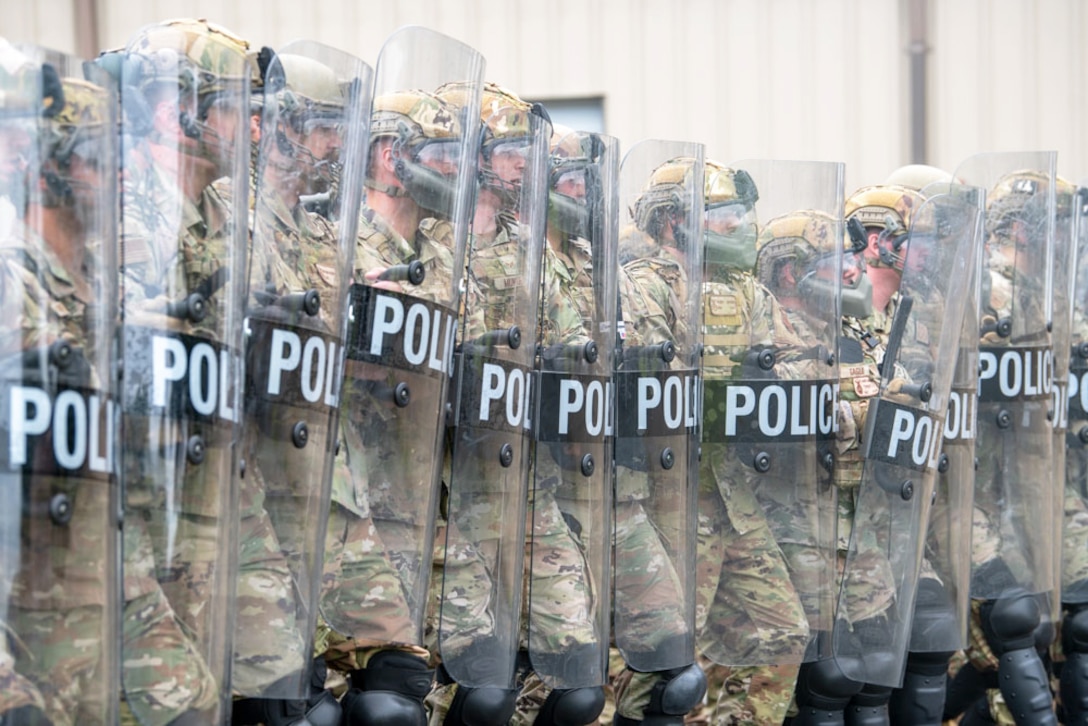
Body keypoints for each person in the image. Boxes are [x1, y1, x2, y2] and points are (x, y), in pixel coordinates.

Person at [110, 18, 252, 724]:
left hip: (217, 514)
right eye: (237, 109)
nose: (253, 131)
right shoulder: (120, 207)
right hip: (134, 524)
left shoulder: (231, 214)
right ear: (177, 109)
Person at [228, 45, 369, 726]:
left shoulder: (322, 239)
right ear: (276, 128)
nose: (335, 147)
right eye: (323, 128)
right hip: (241, 493)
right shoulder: (228, 217)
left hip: (319, 489)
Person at [327, 86, 472, 726]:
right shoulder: (335, 239)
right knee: (367, 691)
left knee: (431, 686)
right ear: (391, 155)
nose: (453, 170)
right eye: (441, 153)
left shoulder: (443, 257)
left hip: (423, 498)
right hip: (344, 494)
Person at [0, 54, 120, 726]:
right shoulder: (9, 284)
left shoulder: (112, 289)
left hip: (108, 592)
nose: (121, 178)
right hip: (29, 607)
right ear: (50, 169)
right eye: (100, 160)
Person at [942, 166, 1060, 726]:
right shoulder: (986, 286)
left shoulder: (1043, 295)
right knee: (1010, 624)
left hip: (1022, 488)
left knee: (1032, 631)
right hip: (966, 492)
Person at [611, 150, 706, 726]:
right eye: (714, 215)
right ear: (674, 221)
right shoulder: (643, 283)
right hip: (629, 489)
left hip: (690, 493)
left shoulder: (714, 289)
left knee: (672, 674)